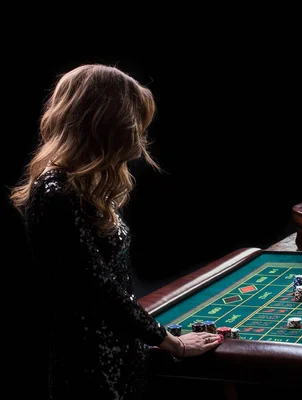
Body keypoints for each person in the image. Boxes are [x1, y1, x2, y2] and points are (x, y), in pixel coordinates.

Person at [9, 64, 223, 400]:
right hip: (91, 370)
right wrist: (174, 343)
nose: (139, 143)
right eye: (134, 126)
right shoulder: (56, 192)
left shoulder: (81, 186)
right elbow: (100, 291)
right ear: (105, 124)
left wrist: (163, 335)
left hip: (120, 357)